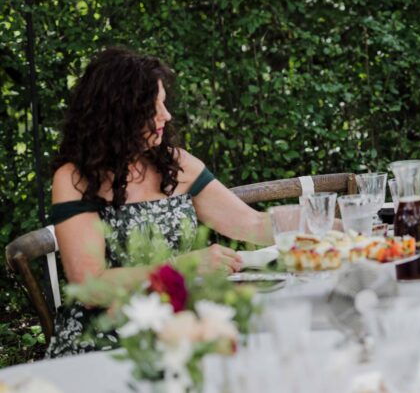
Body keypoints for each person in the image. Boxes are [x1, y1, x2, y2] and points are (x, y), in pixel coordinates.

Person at [47, 48, 273, 358]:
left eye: (164, 103)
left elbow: (254, 224)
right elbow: (91, 287)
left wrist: (332, 226)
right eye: (153, 107)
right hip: (105, 340)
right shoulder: (74, 178)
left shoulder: (173, 163)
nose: (166, 115)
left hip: (178, 328)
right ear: (119, 113)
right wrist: (180, 268)